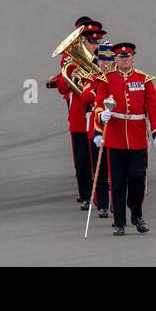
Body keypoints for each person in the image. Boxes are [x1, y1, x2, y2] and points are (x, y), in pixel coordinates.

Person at [93, 41, 156, 236]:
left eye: (128, 56)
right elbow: (99, 104)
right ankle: (119, 222)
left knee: (137, 179)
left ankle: (137, 213)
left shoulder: (144, 79)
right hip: (115, 137)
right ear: (115, 59)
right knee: (117, 181)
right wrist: (101, 118)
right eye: (121, 57)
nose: (124, 59)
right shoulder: (107, 79)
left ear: (133, 57)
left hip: (138, 136)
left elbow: (154, 106)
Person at [50, 19, 104, 210]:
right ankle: (86, 195)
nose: (93, 45)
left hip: (99, 111)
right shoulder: (69, 59)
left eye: (96, 41)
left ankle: (103, 196)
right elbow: (63, 88)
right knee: (82, 158)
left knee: (99, 157)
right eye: (90, 41)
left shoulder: (106, 56)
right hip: (79, 114)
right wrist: (73, 75)